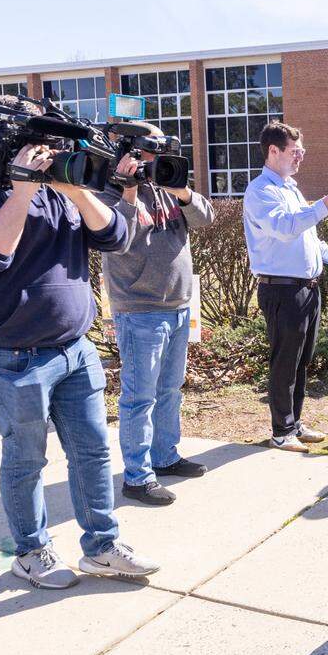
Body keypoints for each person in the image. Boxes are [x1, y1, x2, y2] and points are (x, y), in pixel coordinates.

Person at [0, 95, 158, 589]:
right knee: (26, 459)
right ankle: (31, 551)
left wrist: (77, 190)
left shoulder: (62, 195)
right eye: (35, 145)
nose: (46, 154)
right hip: (7, 357)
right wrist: (21, 190)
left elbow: (118, 236)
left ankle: (102, 547)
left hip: (74, 349)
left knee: (93, 452)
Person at [97, 139, 216, 507]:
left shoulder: (166, 185)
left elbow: (206, 219)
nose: (154, 161)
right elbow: (117, 238)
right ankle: (137, 476)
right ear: (127, 156)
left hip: (178, 305)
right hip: (139, 310)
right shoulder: (105, 192)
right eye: (147, 154)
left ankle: (165, 456)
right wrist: (128, 191)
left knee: (169, 389)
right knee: (139, 398)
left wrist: (181, 190)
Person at [243, 122, 328, 451]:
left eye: (301, 151)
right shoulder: (261, 191)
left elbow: (307, 236)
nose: (300, 158)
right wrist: (325, 204)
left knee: (301, 360)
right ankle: (281, 432)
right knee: (285, 362)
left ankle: (294, 422)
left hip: (307, 288)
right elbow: (284, 228)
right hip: (282, 290)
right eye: (295, 152)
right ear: (273, 151)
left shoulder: (290, 188)